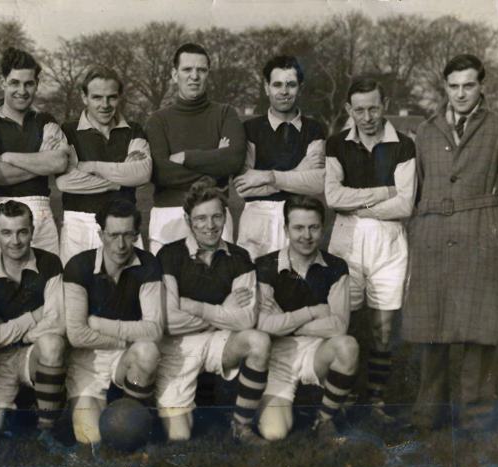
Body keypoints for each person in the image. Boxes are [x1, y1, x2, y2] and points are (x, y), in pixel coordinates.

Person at [403, 54, 498, 433]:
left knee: (479, 330)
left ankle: (476, 417)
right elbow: (419, 188)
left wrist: (491, 227)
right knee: (432, 329)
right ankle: (429, 414)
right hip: (432, 242)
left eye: (469, 85)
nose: (460, 93)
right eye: (454, 86)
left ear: (481, 86)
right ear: (445, 87)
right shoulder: (425, 131)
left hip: (481, 237)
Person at [324, 78, 415, 420]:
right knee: (343, 324)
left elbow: (405, 205)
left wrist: (358, 202)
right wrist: (384, 191)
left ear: (385, 104)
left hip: (389, 243)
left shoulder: (404, 145)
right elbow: (333, 197)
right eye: (359, 109)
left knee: (383, 328)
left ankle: (375, 401)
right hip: (347, 239)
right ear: (349, 109)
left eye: (373, 107)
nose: (367, 116)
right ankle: (341, 400)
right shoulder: (336, 145)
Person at [155, 177, 270, 445]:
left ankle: (241, 425)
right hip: (178, 346)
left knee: (257, 341)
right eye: (201, 219)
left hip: (220, 342)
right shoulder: (169, 255)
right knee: (178, 435)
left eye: (217, 217)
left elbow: (246, 318)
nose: (210, 226)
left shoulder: (240, 257)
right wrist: (221, 312)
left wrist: (191, 306)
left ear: (225, 217)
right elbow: (169, 322)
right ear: (188, 220)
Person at [254, 196, 357, 441]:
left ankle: (325, 418)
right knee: (274, 432)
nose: (306, 235)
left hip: (317, 352)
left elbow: (339, 325)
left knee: (347, 346)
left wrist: (284, 323)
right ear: (285, 229)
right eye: (298, 228)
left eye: (314, 227)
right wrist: (312, 312)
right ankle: (292, 402)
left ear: (324, 227)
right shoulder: (265, 265)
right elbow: (264, 325)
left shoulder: (336, 266)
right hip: (277, 357)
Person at [63, 199, 163, 445]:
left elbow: (154, 329)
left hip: (125, 356)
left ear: (137, 235)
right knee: (90, 440)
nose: (120, 245)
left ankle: (133, 415)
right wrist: (125, 335)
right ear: (101, 234)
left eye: (128, 235)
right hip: (88, 360)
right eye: (113, 235)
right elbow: (76, 335)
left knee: (147, 352)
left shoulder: (148, 264)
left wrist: (97, 324)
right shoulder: (79, 265)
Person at [0, 200, 66, 442]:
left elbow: (56, 320)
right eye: (6, 233)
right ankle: (20, 411)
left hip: (32, 355)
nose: (15, 241)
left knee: (52, 343)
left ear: (32, 231)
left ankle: (47, 429)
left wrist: (16, 334)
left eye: (22, 232)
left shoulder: (50, 263)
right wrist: (33, 318)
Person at [145, 43, 246, 254]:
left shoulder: (225, 114)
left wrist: (185, 157)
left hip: (215, 215)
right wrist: (214, 163)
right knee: (168, 286)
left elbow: (234, 159)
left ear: (208, 73)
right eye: (187, 70)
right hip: (169, 215)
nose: (194, 76)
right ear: (174, 74)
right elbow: (161, 172)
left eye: (201, 70)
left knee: (218, 284)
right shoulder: (157, 120)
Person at [0, 48, 70, 257]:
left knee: (46, 282)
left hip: (40, 212)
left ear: (36, 84)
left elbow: (59, 162)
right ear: (3, 83)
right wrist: (41, 164)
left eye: (29, 83)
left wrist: (8, 157)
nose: (22, 90)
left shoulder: (46, 120)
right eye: (15, 83)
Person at [234, 55, 326, 260]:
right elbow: (243, 187)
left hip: (299, 217)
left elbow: (318, 183)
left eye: (291, 85)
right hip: (257, 218)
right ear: (266, 87)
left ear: (300, 87)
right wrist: (298, 173)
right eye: (277, 84)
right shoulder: (249, 129)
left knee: (295, 286)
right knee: (254, 287)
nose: (284, 91)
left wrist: (267, 177)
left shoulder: (314, 129)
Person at [57, 66, 152, 263]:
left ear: (120, 97)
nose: (105, 104)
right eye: (97, 97)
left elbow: (142, 174)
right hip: (79, 225)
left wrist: (90, 167)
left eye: (112, 97)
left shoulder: (133, 130)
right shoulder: (67, 131)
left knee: (128, 291)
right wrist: (120, 181)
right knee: (79, 289)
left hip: (124, 225)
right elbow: (65, 182)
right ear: (84, 97)